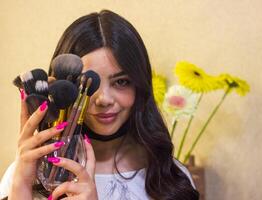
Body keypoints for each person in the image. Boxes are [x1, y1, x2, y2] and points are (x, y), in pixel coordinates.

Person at [0, 10, 199, 200]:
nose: (104, 99)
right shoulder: (24, 176)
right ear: (62, 85)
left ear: (140, 86)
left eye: (121, 82)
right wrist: (21, 190)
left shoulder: (172, 179)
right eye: (86, 83)